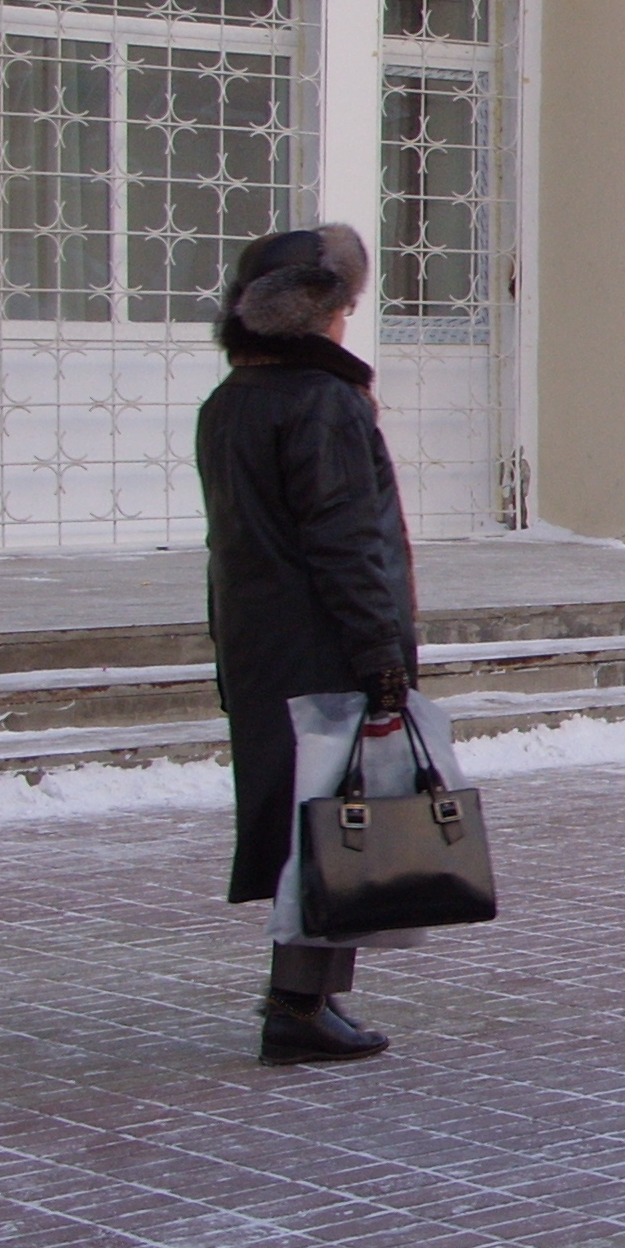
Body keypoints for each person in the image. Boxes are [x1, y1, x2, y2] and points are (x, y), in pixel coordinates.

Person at [196, 225, 421, 1060]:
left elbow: (234, 542)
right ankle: (297, 1005)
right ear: (313, 315)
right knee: (334, 827)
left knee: (309, 823)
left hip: (260, 647)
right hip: (325, 649)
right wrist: (381, 658)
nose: (346, 323)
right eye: (344, 307)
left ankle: (304, 999)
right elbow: (344, 542)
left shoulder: (229, 403)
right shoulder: (321, 403)